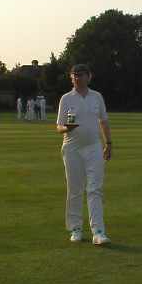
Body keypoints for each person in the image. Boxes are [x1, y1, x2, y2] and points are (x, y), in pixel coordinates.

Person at [57, 64, 112, 245]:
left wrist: (108, 144)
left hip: (94, 148)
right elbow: (59, 126)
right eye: (74, 76)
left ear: (89, 77)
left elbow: (103, 121)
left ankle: (98, 231)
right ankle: (76, 229)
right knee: (75, 190)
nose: (77, 79)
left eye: (81, 75)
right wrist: (67, 128)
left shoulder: (97, 97)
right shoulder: (66, 99)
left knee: (95, 189)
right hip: (72, 149)